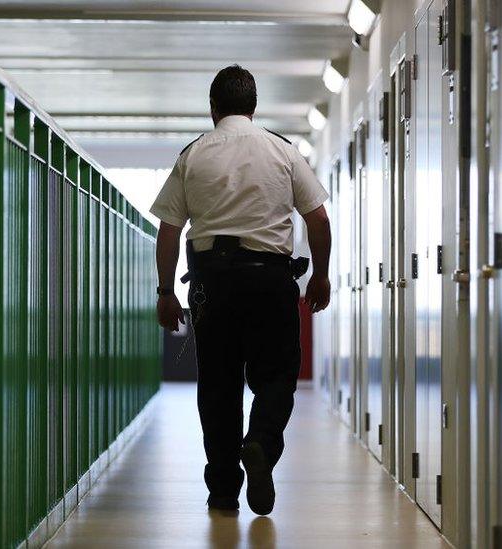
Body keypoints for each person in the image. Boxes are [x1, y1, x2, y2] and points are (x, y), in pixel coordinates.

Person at [149, 64, 332, 516]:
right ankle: (261, 444)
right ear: (253, 107)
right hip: (270, 279)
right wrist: (320, 275)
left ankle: (224, 491)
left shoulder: (193, 154)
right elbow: (318, 220)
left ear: (213, 108)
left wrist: (165, 291)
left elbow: (169, 229)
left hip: (212, 283)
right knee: (276, 375)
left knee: (218, 386)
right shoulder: (283, 151)